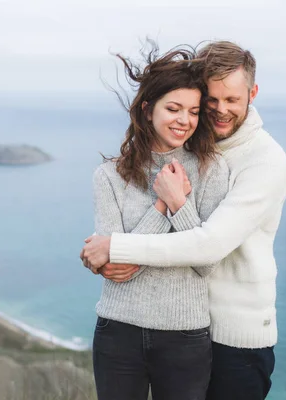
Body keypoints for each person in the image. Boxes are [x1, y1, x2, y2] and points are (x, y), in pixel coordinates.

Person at [81, 41, 286, 400]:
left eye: (232, 100)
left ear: (252, 94)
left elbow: (208, 246)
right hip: (188, 329)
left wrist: (116, 244)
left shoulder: (262, 161)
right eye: (211, 100)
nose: (219, 110)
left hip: (235, 339)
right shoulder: (201, 150)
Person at [89, 43, 230, 400]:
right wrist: (163, 208)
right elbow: (116, 261)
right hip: (118, 331)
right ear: (147, 108)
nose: (185, 120)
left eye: (194, 112)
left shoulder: (212, 170)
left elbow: (207, 262)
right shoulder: (109, 176)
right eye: (174, 108)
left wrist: (180, 201)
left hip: (184, 336)